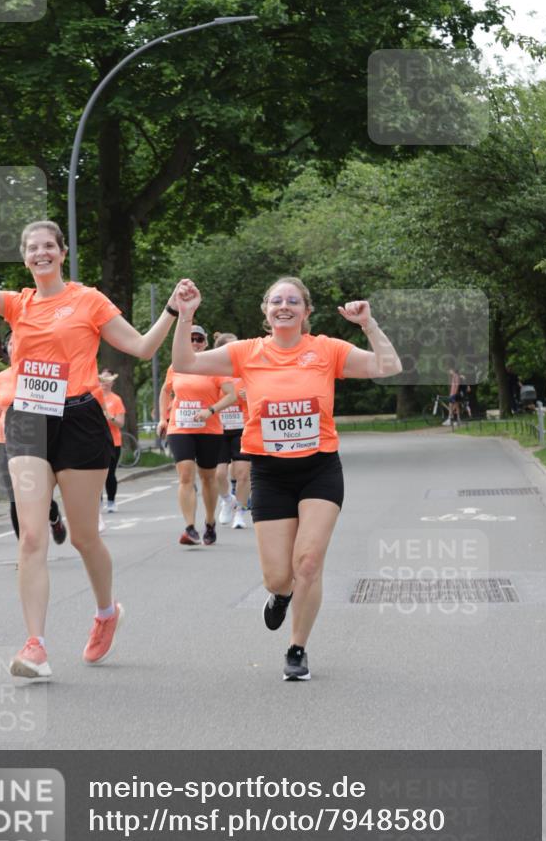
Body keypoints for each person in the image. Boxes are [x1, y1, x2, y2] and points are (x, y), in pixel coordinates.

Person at [0, 217, 194, 680]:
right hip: (28, 421)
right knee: (33, 536)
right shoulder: (17, 304)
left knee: (83, 537)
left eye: (48, 246)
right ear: (24, 258)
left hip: (80, 420)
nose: (41, 253)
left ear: (61, 253)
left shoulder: (88, 299)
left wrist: (174, 312)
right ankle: (35, 645)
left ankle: (104, 612)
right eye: (32, 248)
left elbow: (140, 347)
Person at [172, 277, 402, 681]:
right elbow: (185, 364)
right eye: (276, 300)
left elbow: (389, 366)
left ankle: (297, 648)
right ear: (265, 310)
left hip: (319, 469)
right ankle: (280, 594)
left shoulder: (327, 350)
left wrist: (368, 325)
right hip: (270, 472)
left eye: (293, 301)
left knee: (309, 563)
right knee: (279, 576)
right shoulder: (246, 352)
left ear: (306, 312)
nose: (284, 306)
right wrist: (185, 315)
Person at [157, 324, 237, 547]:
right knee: (185, 475)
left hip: (208, 429)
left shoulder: (214, 366)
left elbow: (231, 395)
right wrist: (163, 418)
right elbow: (165, 390)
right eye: (190, 339)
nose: (194, 343)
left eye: (198, 339)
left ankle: (210, 522)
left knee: (208, 477)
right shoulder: (176, 366)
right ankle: (190, 528)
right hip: (180, 427)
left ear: (205, 343)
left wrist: (211, 410)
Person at [0, 332, 67, 544]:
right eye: (11, 343)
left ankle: (54, 516)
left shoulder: (40, 375)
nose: (15, 346)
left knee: (39, 494)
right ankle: (25, 551)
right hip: (5, 442)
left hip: (36, 442)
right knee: (15, 498)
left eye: (19, 341)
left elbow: (55, 407)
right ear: (6, 348)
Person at [213, 332, 251, 530]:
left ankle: (240, 513)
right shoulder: (213, 372)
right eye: (232, 346)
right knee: (219, 474)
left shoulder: (247, 370)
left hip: (243, 427)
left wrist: (250, 394)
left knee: (243, 473)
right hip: (219, 429)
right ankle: (228, 499)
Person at [98, 368, 125, 512]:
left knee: (110, 473)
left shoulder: (116, 400)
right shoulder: (94, 397)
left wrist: (110, 417)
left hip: (113, 442)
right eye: (102, 380)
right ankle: (98, 502)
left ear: (112, 382)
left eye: (108, 380)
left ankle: (111, 501)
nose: (105, 383)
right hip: (96, 442)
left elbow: (121, 423)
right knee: (96, 474)